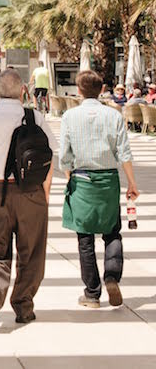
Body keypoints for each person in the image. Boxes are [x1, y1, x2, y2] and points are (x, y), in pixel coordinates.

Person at [0, 68, 56, 331]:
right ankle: (23, 305)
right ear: (23, 91)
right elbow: (50, 156)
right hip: (30, 192)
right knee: (32, 250)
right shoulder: (35, 117)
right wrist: (45, 193)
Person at [59, 70, 139, 309]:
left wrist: (68, 174)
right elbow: (124, 153)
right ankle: (112, 276)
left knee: (85, 238)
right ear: (102, 89)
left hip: (82, 180)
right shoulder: (113, 115)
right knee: (112, 231)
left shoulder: (70, 116)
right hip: (108, 181)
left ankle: (92, 293)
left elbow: (64, 155)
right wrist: (132, 183)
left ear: (79, 90)